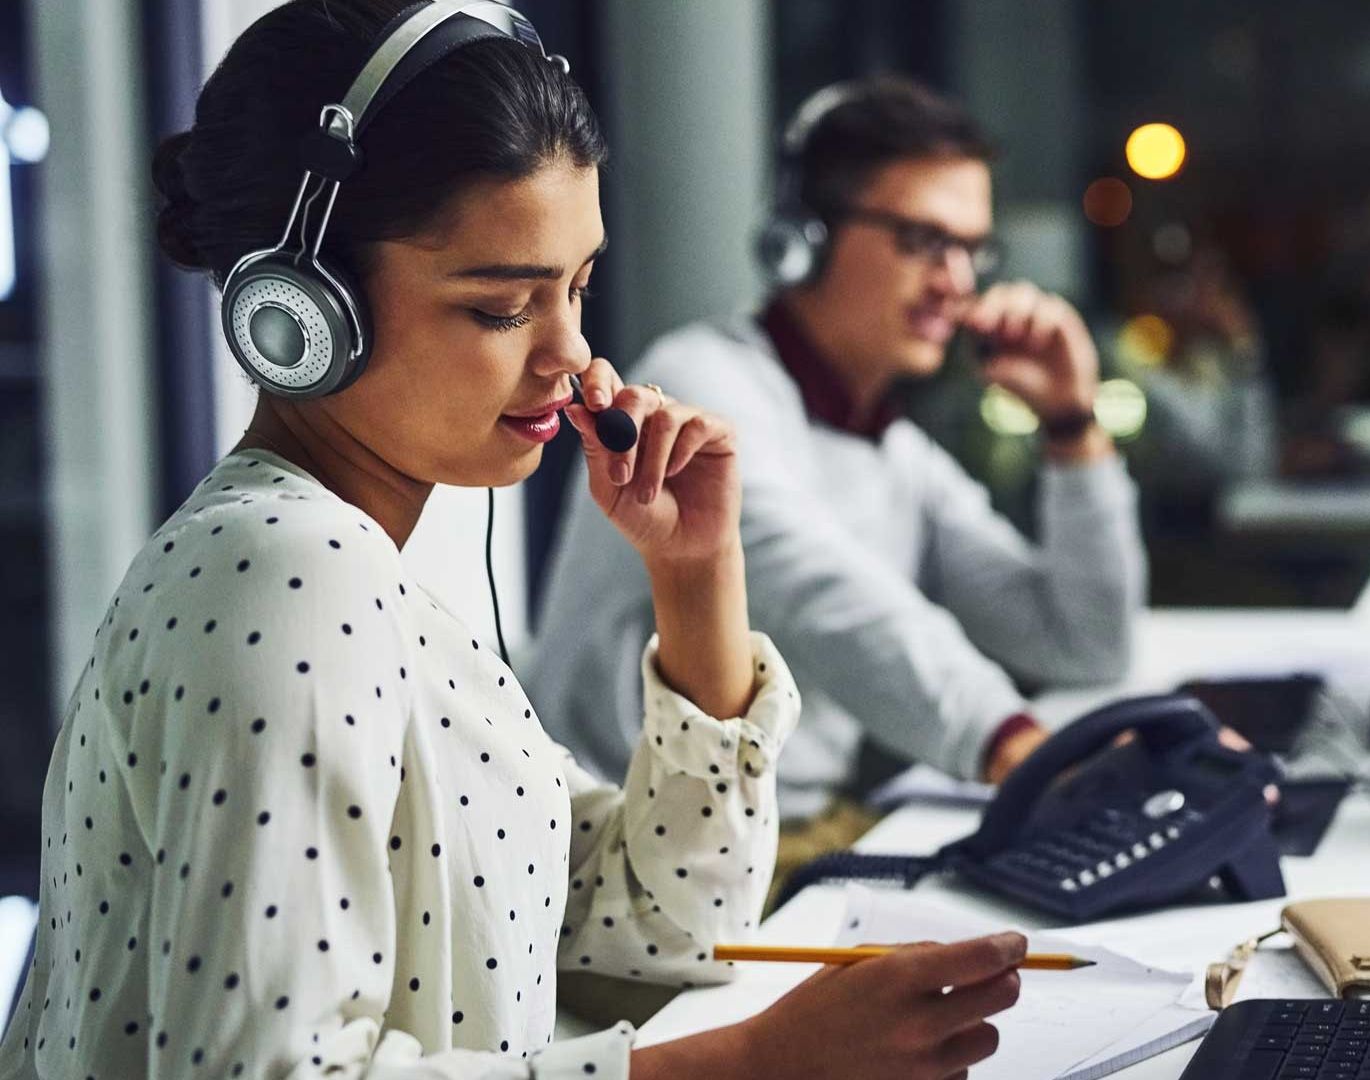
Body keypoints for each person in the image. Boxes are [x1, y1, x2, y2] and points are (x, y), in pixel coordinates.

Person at [0, 4, 1020, 1078]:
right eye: (501, 309)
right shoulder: (285, 575)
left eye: (576, 288)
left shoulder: (365, 577)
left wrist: (695, 577)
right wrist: (749, 1065)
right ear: (303, 310)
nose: (574, 356)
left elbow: (665, 925)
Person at [532, 77, 1148, 874]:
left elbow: (1085, 641)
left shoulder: (895, 452)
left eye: (972, 250)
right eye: (925, 240)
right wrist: (1015, 744)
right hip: (631, 858)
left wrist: (1072, 425)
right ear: (806, 238)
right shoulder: (698, 384)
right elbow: (832, 598)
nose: (958, 282)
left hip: (782, 838)